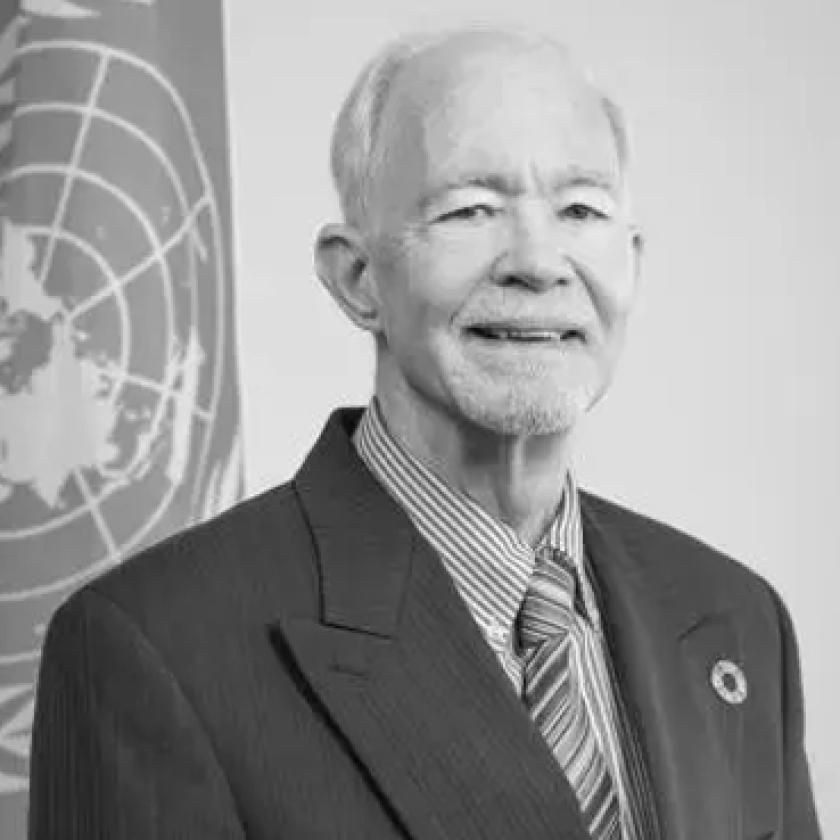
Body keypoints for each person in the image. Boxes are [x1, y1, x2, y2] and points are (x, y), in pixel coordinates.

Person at [28, 26, 821, 840]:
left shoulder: (735, 619)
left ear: (634, 264)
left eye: (581, 209)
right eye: (471, 208)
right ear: (358, 277)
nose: (539, 261)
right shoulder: (153, 647)